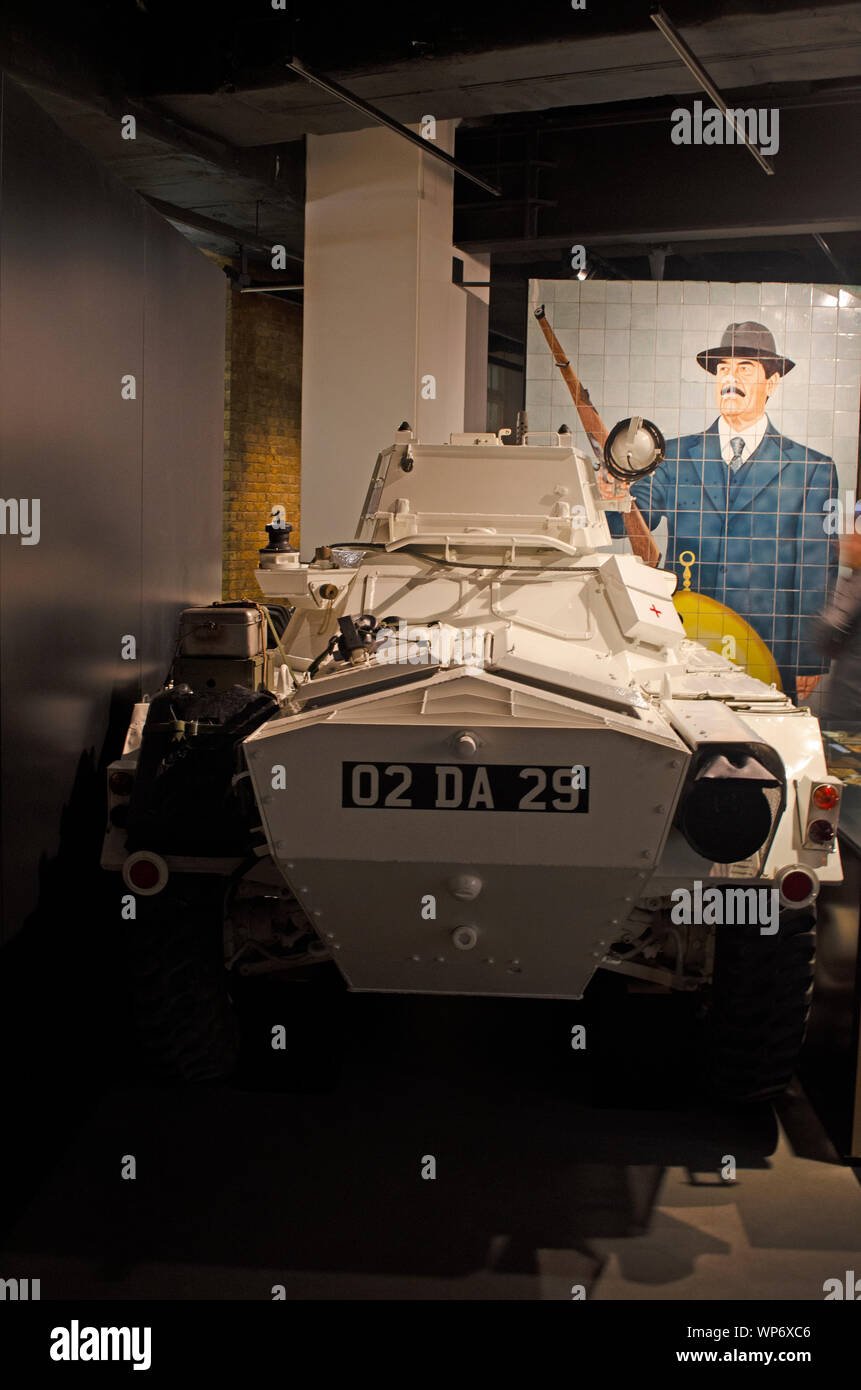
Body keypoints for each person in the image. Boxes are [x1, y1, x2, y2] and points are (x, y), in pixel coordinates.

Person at [607, 321, 839, 700]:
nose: (731, 378)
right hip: (687, 635)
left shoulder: (812, 469)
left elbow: (816, 572)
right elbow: (626, 525)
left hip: (768, 646)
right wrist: (612, 493)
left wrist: (809, 660)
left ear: (773, 382)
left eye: (745, 368)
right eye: (723, 369)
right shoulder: (673, 458)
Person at [806, 506, 861, 725]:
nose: (841, 544)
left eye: (851, 538)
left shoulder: (856, 585)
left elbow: (827, 630)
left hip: (851, 705)